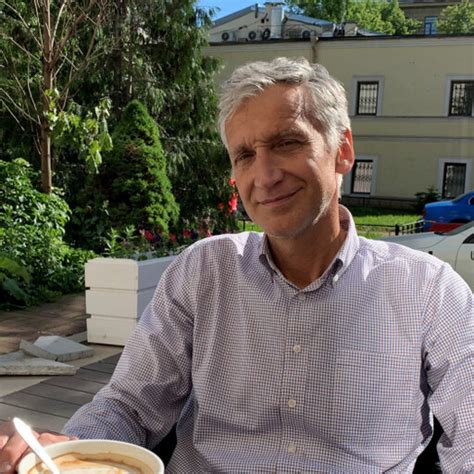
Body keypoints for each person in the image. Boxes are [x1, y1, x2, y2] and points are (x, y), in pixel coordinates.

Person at [1, 57, 472, 473]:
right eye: (244, 155)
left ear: (342, 150)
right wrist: (71, 453)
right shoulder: (203, 271)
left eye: (286, 142)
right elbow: (130, 405)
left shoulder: (428, 290)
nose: (264, 176)